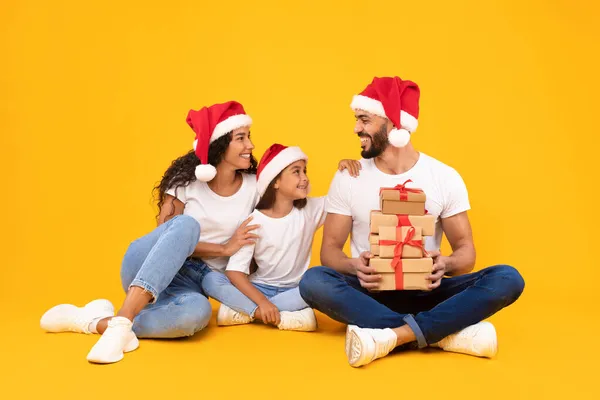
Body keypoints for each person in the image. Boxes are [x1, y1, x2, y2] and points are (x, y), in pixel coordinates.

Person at [298, 77, 525, 367]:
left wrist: (445, 264)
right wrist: (354, 266)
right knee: (313, 281)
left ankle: (394, 335)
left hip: (429, 292)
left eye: (364, 120)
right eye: (357, 120)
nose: (357, 128)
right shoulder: (349, 177)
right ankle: (441, 334)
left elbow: (466, 252)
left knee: (507, 278)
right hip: (370, 293)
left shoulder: (443, 177)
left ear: (393, 124)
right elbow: (329, 251)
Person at [40, 101, 261, 364]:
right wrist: (224, 249)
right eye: (241, 138)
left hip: (194, 285)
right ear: (219, 143)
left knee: (196, 316)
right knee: (187, 225)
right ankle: (123, 319)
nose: (250, 145)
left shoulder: (255, 186)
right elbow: (170, 240)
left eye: (248, 137)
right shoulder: (185, 184)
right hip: (148, 266)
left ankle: (95, 322)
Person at [202, 144, 361, 332]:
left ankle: (244, 311)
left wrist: (342, 172)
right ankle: (275, 314)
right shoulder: (254, 222)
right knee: (210, 280)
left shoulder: (310, 210)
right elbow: (235, 273)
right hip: (259, 289)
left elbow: (339, 200)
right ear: (275, 182)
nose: (304, 178)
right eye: (296, 172)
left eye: (304, 171)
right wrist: (262, 302)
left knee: (325, 286)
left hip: (297, 290)